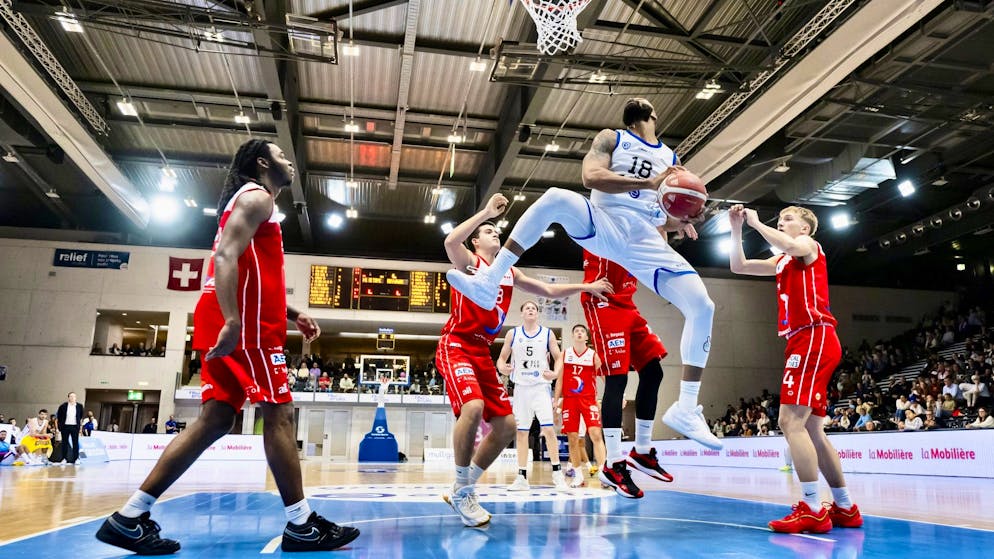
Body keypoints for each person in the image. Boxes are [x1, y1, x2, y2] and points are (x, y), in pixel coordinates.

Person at [95, 139, 359, 555]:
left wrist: (291, 312)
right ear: (261, 163)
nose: (289, 161)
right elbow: (224, 257)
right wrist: (235, 321)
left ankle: (128, 517)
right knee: (279, 413)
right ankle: (302, 524)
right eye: (281, 156)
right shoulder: (257, 198)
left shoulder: (251, 200)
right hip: (245, 326)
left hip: (235, 318)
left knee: (215, 419)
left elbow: (249, 268)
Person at [445, 98, 720, 450]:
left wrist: (682, 218)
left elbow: (670, 208)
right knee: (557, 197)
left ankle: (686, 406)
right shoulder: (612, 138)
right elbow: (591, 176)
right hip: (604, 223)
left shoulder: (672, 159)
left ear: (655, 115)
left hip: (643, 239)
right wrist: (651, 183)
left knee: (703, 306)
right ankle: (489, 279)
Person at [437, 193, 612, 527]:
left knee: (505, 427)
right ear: (476, 240)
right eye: (489, 232)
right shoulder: (471, 263)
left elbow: (547, 291)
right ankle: (462, 486)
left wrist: (586, 285)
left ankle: (463, 488)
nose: (495, 234)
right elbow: (449, 241)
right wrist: (485, 212)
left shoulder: (510, 272)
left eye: (495, 230)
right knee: (473, 408)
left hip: (481, 351)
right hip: (456, 343)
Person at [728, 203, 861, 534]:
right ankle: (844, 507)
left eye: (788, 218)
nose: (782, 221)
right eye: (780, 218)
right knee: (813, 429)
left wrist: (756, 223)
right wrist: (735, 229)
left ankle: (813, 509)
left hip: (813, 335)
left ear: (805, 228)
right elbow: (739, 266)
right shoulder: (783, 260)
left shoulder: (808, 247)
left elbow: (788, 244)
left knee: (790, 422)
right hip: (804, 339)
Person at [580, 252, 676, 498]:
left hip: (627, 303)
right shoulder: (601, 215)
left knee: (653, 371)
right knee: (617, 379)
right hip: (603, 300)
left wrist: (676, 220)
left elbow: (657, 240)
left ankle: (642, 450)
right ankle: (612, 463)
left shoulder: (638, 221)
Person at [497, 301, 568, 492]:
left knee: (549, 430)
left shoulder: (547, 333)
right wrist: (501, 367)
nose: (530, 310)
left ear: (537, 314)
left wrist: (555, 372)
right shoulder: (513, 333)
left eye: (533, 308)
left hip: (540, 387)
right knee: (521, 432)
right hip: (521, 388)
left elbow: (559, 356)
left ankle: (557, 474)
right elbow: (501, 358)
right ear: (522, 313)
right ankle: (521, 477)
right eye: (526, 307)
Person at [554, 324, 607, 489]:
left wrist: (618, 395)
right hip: (570, 400)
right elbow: (560, 379)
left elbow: (605, 377)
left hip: (588, 399)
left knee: (595, 434)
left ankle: (605, 474)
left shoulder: (593, 355)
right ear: (572, 335)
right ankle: (578, 475)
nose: (579, 333)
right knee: (572, 438)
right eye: (576, 331)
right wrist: (556, 400)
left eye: (582, 331)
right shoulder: (565, 354)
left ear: (586, 337)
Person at [56, 392, 84, 464]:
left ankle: (76, 458)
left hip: (75, 427)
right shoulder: (63, 406)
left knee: (75, 443)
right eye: (71, 396)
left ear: (76, 398)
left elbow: (80, 416)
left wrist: (80, 427)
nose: (72, 398)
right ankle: (64, 459)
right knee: (64, 443)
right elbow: (59, 416)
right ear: (68, 397)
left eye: (74, 396)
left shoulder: (80, 406)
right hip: (65, 427)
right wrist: (59, 427)